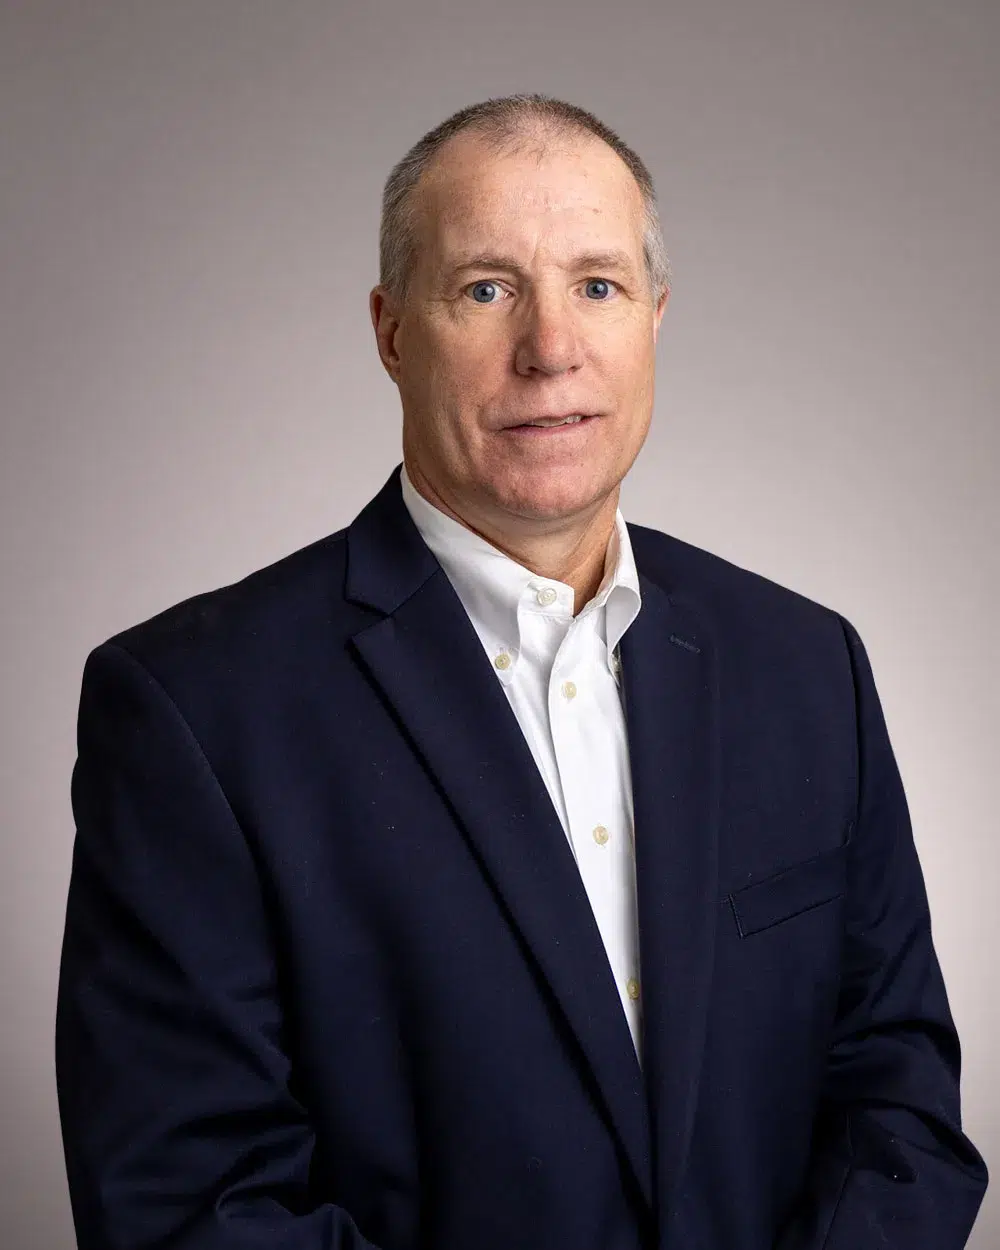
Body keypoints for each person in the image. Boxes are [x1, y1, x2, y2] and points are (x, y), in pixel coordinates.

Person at [56, 92, 987, 1250]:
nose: (551, 348)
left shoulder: (807, 666)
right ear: (391, 330)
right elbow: (190, 1203)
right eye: (487, 289)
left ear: (654, 316)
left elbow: (897, 1101)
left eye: (596, 285)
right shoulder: (194, 709)